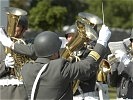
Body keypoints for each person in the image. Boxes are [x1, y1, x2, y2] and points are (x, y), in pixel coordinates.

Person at [21, 24, 111, 100]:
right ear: (53, 52)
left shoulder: (26, 69)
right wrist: (102, 42)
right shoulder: (59, 67)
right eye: (58, 50)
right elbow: (88, 64)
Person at [0, 15, 30, 99]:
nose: (13, 28)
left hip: (22, 92)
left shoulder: (27, 46)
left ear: (24, 29)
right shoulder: (0, 45)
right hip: (3, 92)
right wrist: (4, 65)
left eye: (17, 26)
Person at [107, 32, 133, 99]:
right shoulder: (126, 58)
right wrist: (113, 65)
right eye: (132, 41)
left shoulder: (125, 59)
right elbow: (112, 84)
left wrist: (126, 61)